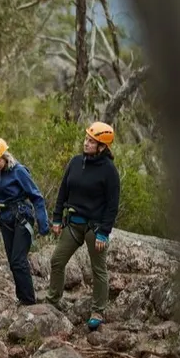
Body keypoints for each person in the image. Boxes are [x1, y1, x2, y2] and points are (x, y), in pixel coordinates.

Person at [46, 121, 121, 330]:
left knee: (98, 269)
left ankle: (98, 310)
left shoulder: (109, 171)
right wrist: (57, 218)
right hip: (73, 224)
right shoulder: (75, 162)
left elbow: (112, 206)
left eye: (91, 141)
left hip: (94, 229)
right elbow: (63, 191)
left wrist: (104, 233)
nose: (86, 143)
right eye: (86, 139)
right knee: (57, 261)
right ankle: (53, 300)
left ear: (102, 147)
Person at [0, 136, 50, 306]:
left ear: (5, 156)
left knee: (18, 260)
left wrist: (43, 224)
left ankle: (29, 301)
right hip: (5, 218)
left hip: (21, 216)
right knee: (13, 262)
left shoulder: (19, 171)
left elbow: (36, 197)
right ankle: (22, 298)